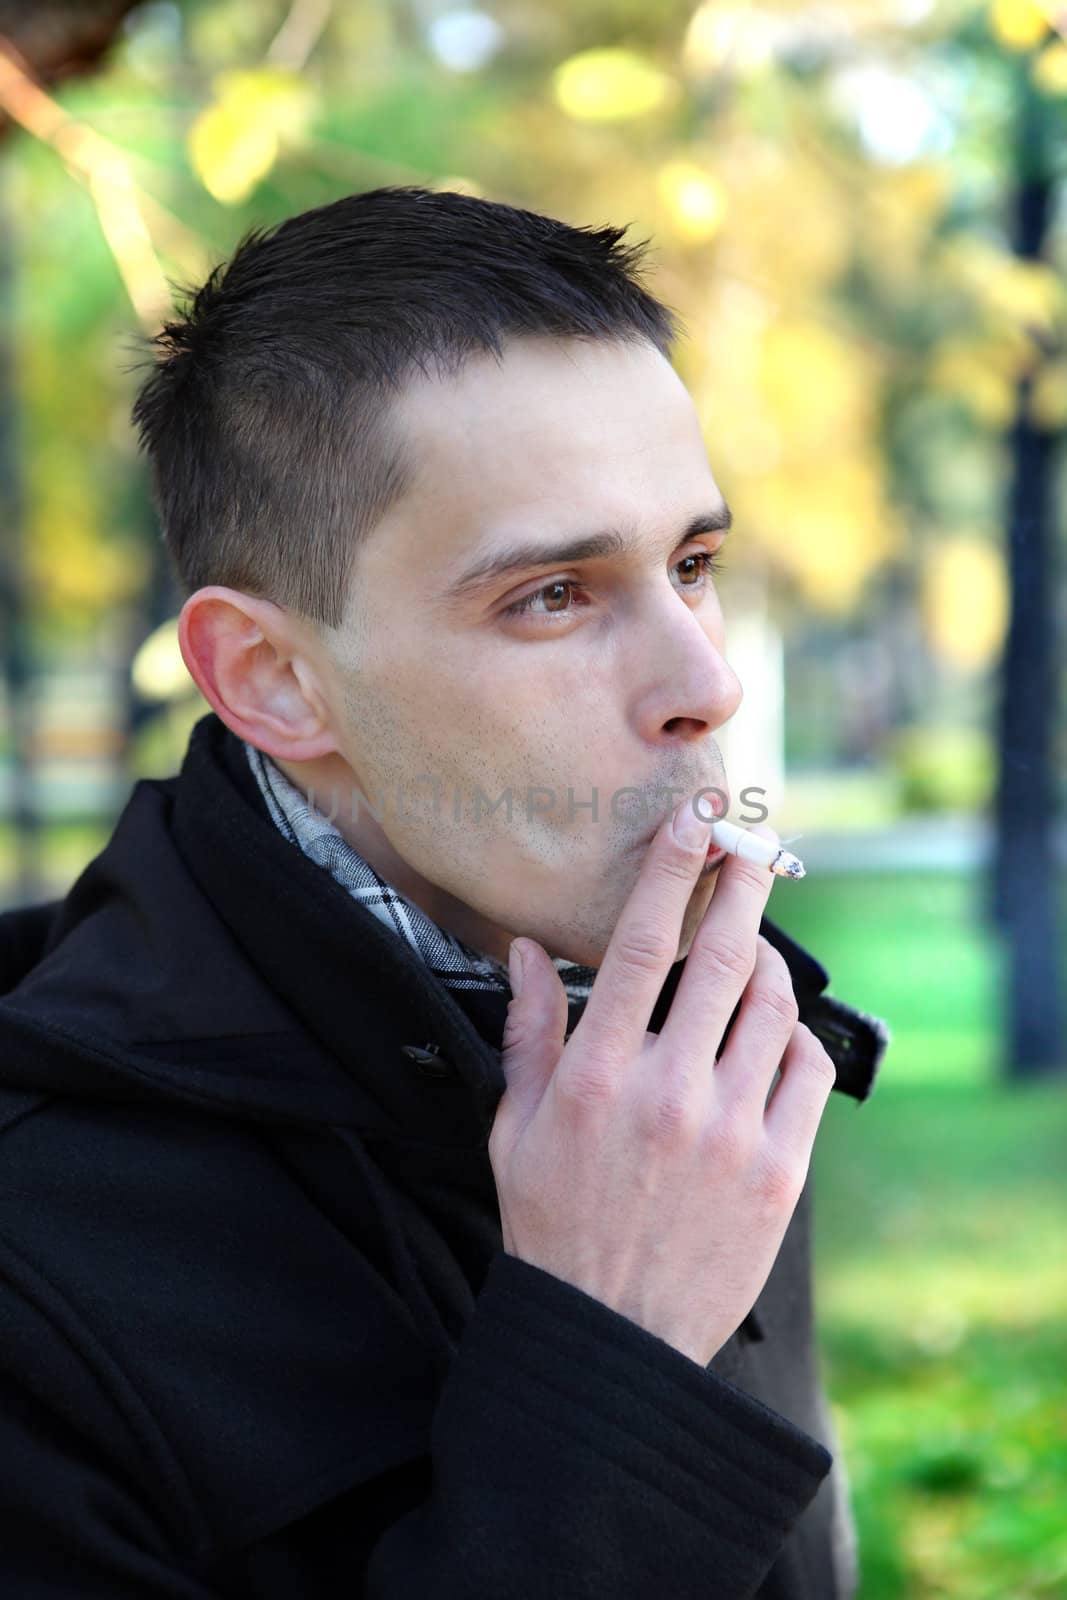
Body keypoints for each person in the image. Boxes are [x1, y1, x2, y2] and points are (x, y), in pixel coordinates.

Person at [0, 186, 888, 1598]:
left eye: (693, 564)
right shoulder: (38, 1260)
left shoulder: (697, 1075)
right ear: (273, 679)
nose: (705, 684)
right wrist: (615, 1367)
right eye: (553, 594)